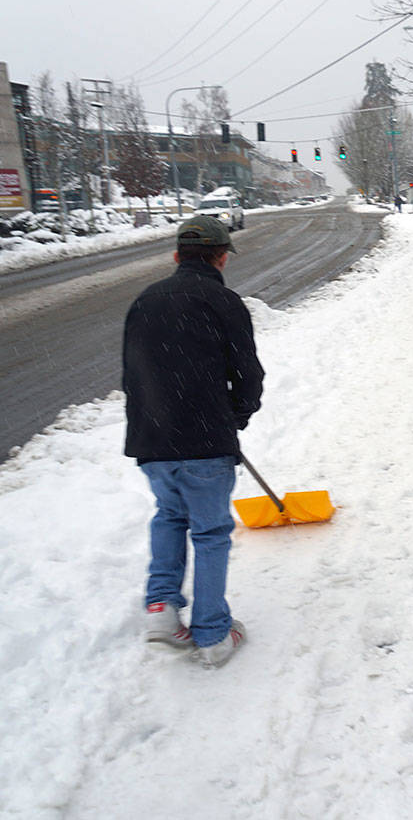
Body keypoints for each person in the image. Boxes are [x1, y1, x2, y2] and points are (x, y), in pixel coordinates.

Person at [122, 215, 264, 668]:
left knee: (168, 516)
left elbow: (131, 377)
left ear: (177, 255)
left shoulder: (144, 301)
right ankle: (212, 633)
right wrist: (233, 419)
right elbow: (248, 376)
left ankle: (162, 611)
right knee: (209, 533)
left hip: (152, 440)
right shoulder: (223, 302)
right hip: (204, 442)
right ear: (221, 257)